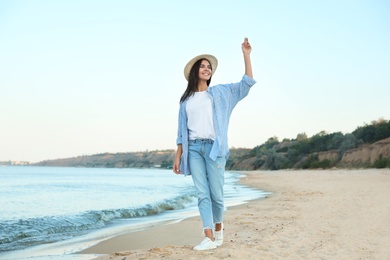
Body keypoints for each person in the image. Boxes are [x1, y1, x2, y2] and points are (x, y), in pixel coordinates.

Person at [173, 37, 255, 251]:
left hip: (214, 148)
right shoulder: (185, 100)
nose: (206, 69)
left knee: (217, 195)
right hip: (194, 150)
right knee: (202, 194)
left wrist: (246, 55)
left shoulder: (220, 93)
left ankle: (219, 229)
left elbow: (245, 85)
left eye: (209, 67)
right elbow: (181, 132)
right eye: (202, 66)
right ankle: (208, 237)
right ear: (194, 71)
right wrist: (178, 156)